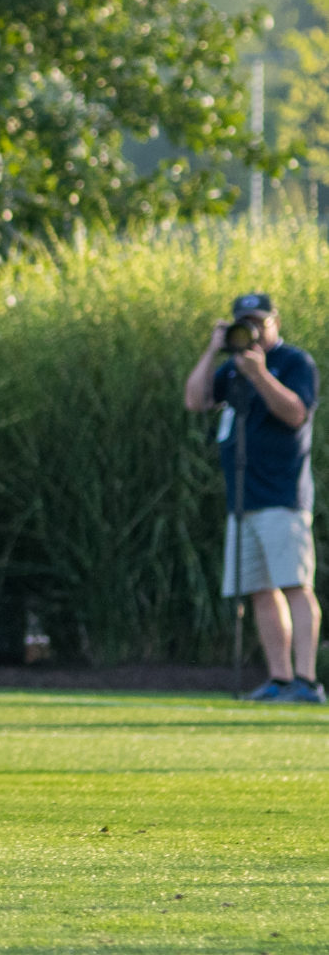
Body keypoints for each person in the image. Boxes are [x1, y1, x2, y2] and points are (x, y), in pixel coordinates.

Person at [185, 292, 325, 704]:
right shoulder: (231, 369)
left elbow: (297, 413)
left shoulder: (294, 362)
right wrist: (214, 351)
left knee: (295, 584)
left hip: (283, 496)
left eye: (259, 323)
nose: (253, 331)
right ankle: (279, 679)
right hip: (243, 500)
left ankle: (307, 680)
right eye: (244, 324)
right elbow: (195, 400)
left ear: (274, 322)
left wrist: (261, 374)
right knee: (260, 590)